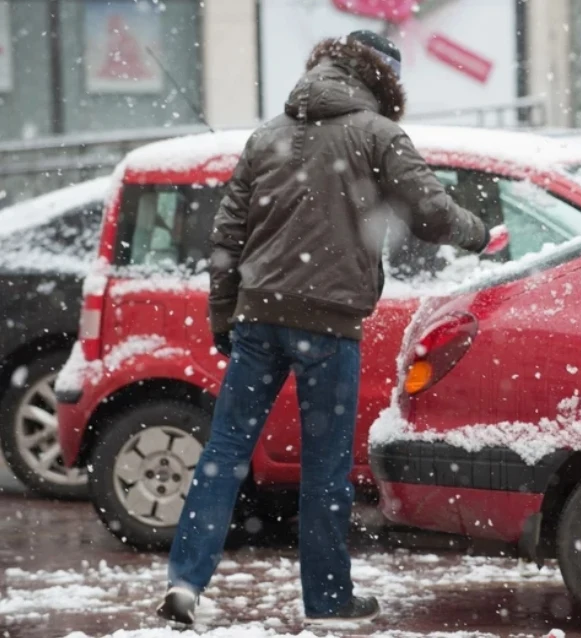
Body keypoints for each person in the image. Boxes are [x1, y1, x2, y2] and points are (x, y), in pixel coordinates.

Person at [156, 30, 488, 627]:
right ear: (384, 79)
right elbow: (433, 214)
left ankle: (185, 584)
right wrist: (479, 232)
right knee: (324, 466)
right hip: (329, 325)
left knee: (225, 452)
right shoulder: (378, 134)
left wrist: (223, 316)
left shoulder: (267, 137)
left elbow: (227, 238)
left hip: (258, 316)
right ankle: (328, 599)